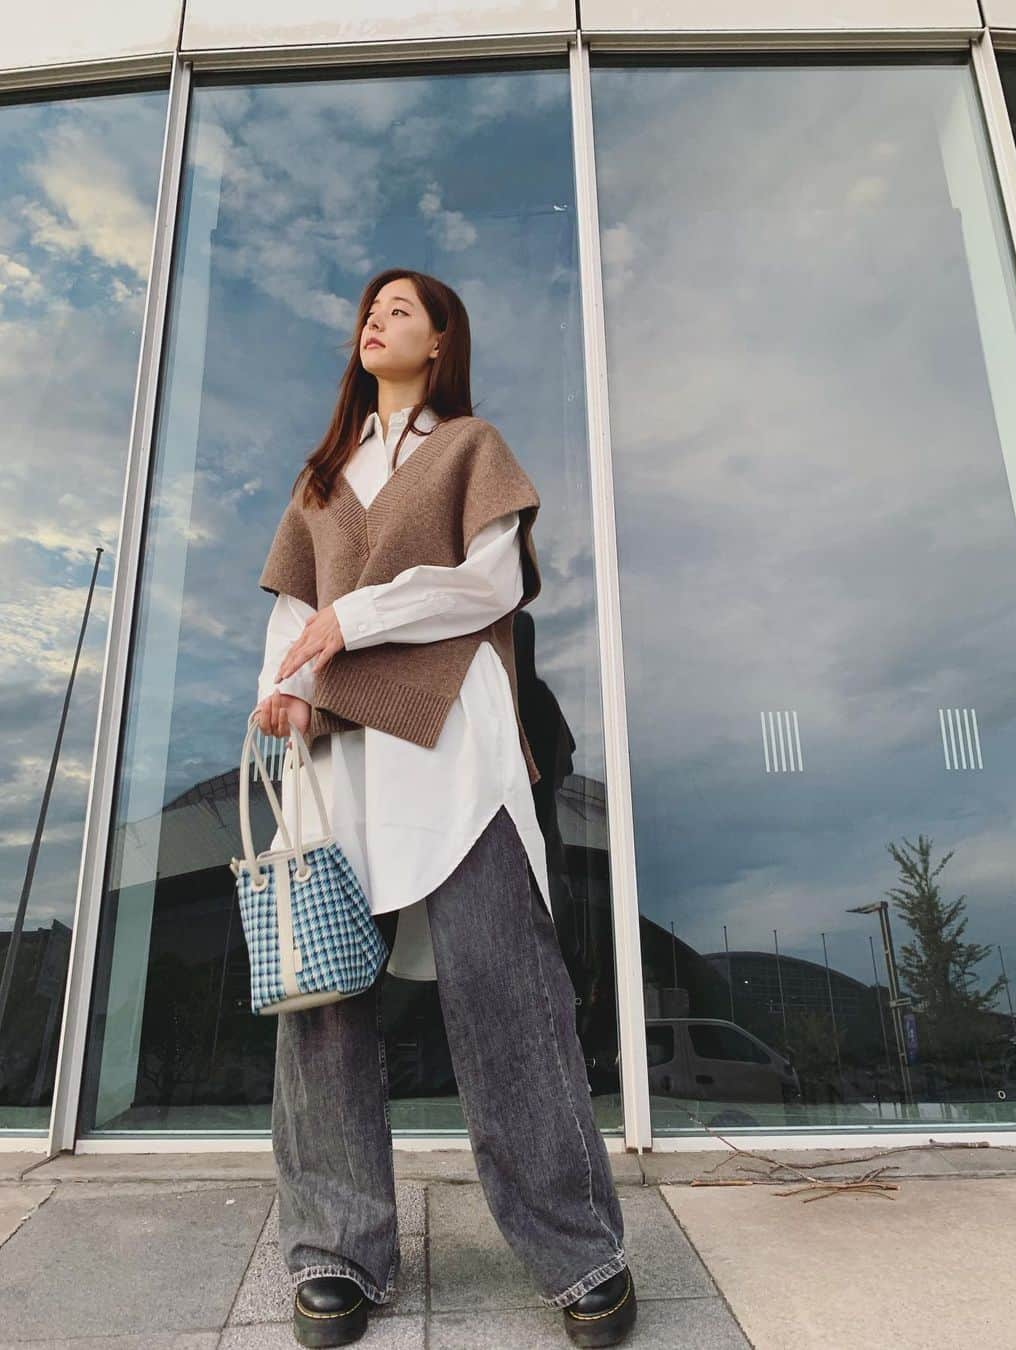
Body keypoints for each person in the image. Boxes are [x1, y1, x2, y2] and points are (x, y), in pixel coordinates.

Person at [252, 268, 637, 1349]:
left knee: (506, 987)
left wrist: (357, 615)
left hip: (453, 747)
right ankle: (335, 1251)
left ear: (442, 340)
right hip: (339, 757)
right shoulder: (321, 479)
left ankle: (578, 1247)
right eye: (370, 309)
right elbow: (289, 615)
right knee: (321, 1002)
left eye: (402, 309)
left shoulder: (472, 447)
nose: (377, 319)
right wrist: (279, 688)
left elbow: (489, 584)